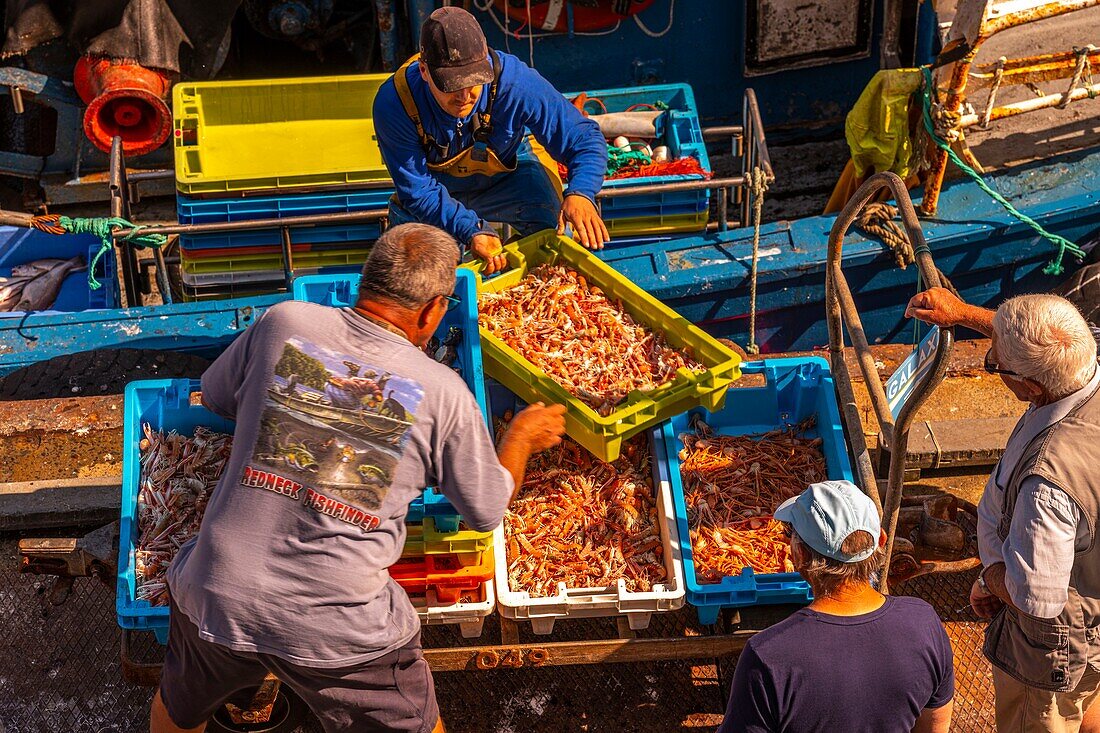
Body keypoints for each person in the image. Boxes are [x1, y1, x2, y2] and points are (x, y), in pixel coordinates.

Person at [150, 223, 567, 733]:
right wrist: (520, 439)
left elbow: (216, 399)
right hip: (338, 629)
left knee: (178, 707)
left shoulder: (283, 321)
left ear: (363, 282)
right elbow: (485, 511)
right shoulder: (443, 390)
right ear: (434, 310)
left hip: (215, 591)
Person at [906, 289, 1100, 732]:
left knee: (1042, 717)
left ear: (1030, 386)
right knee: (1087, 700)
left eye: (994, 363)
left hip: (1056, 648)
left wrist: (990, 576)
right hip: (1092, 604)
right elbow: (1046, 337)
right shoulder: (1081, 365)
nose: (991, 361)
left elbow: (1035, 598)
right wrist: (962, 313)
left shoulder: (1047, 485)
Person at [373, 6, 610, 274]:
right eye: (450, 85)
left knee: (556, 242)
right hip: (432, 194)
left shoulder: (516, 84)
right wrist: (471, 228)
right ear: (425, 71)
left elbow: (584, 138)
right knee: (408, 275)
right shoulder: (394, 103)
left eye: (474, 81)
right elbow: (417, 190)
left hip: (509, 180)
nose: (464, 96)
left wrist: (582, 192)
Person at [718, 480, 954, 733]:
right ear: (881, 541)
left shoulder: (767, 656)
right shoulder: (924, 622)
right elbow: (935, 726)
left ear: (800, 554)